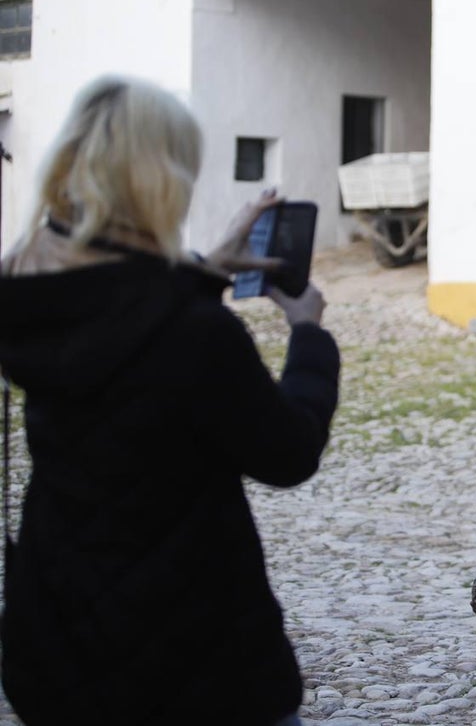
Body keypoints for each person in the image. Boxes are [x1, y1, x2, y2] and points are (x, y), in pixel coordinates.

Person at [0, 75, 340, 726]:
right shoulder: (195, 335)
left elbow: (122, 314)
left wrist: (205, 268)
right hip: (197, 662)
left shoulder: (29, 302)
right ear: (163, 177)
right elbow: (288, 452)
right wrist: (309, 337)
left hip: (58, 646)